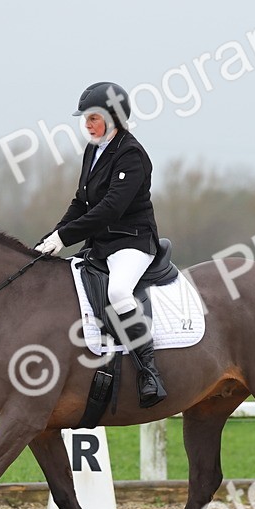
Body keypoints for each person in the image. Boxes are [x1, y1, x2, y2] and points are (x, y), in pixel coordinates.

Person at [35, 81, 167, 408]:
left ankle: (149, 371)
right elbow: (81, 203)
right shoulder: (93, 151)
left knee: (118, 292)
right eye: (86, 118)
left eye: (93, 118)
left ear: (113, 118)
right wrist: (52, 237)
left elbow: (110, 208)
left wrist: (65, 238)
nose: (87, 124)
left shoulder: (131, 154)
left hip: (132, 242)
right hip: (101, 244)